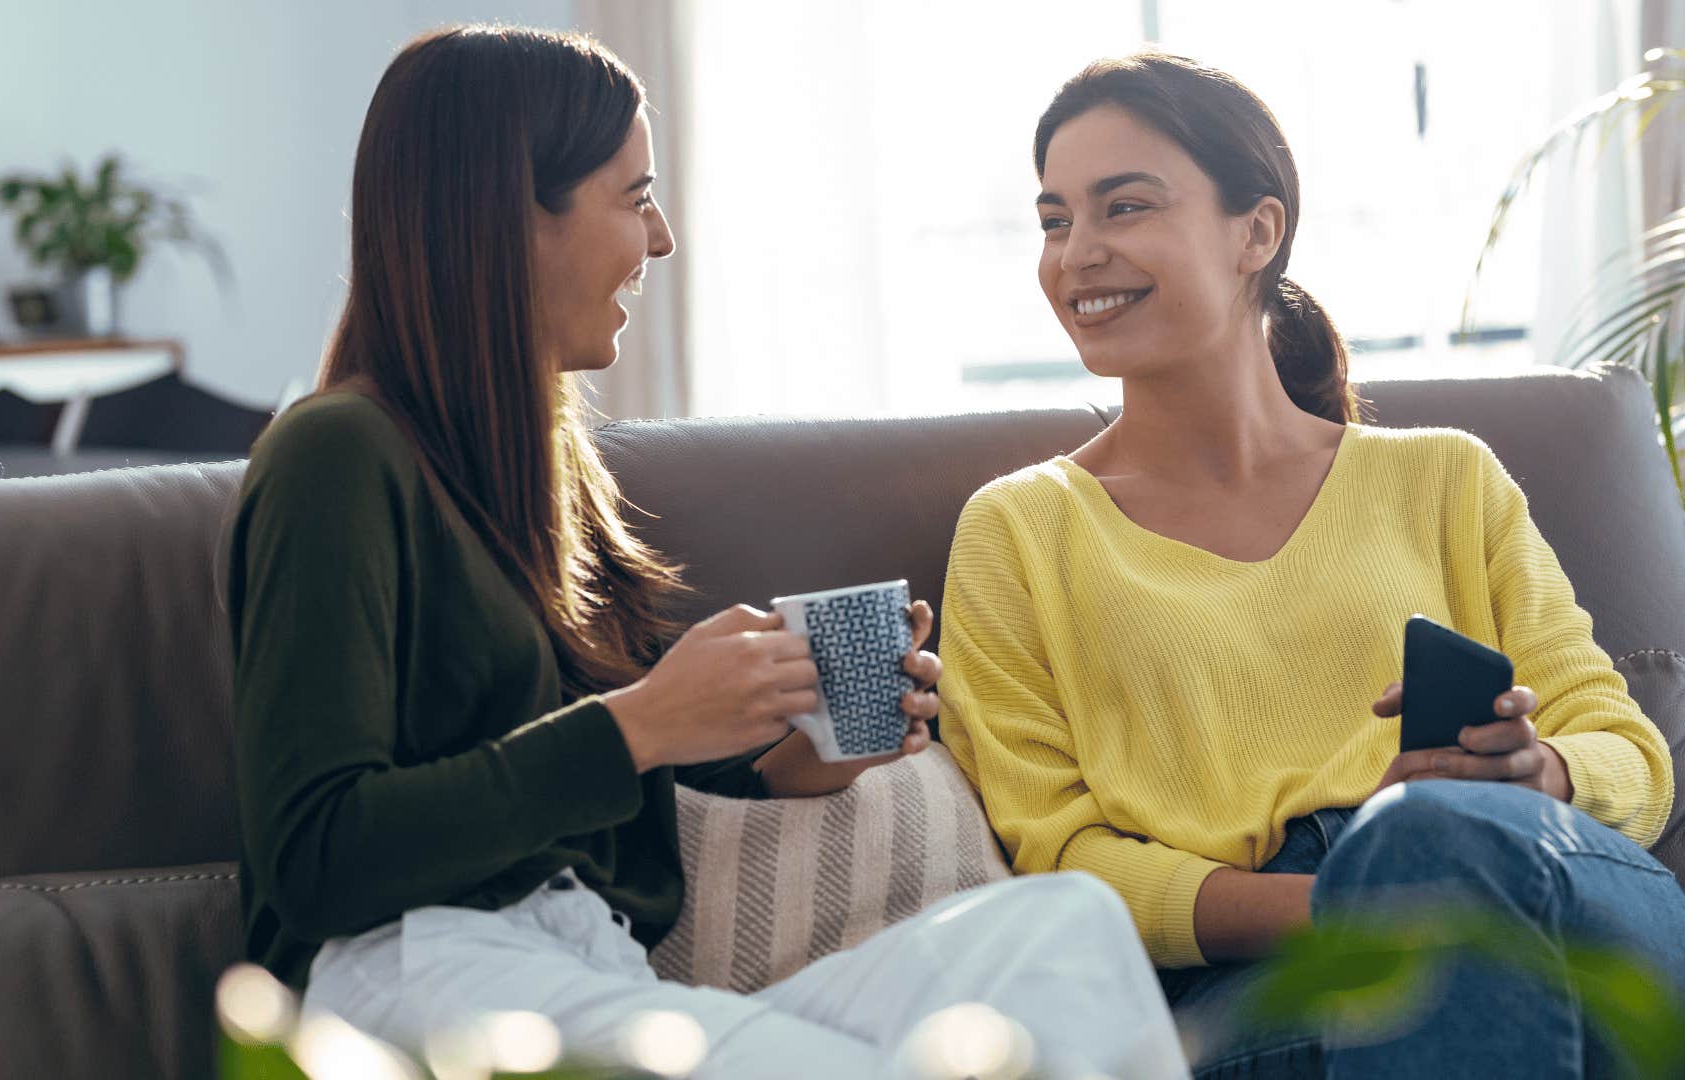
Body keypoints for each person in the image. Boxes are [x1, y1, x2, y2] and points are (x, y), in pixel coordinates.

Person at [224, 26, 1186, 1080]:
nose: (663, 237)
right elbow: (316, 857)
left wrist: (796, 758)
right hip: (408, 981)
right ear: (511, 216)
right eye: (633, 197)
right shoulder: (336, 454)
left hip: (594, 972)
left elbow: (594, 772)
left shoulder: (539, 475)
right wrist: (639, 724)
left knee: (1064, 933)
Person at [937, 51, 1685, 1079]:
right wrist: (1363, 906)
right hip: (1270, 961)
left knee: (1440, 837)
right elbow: (1058, 856)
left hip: (1554, 883)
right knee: (1439, 920)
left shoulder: (1446, 478)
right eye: (1053, 220)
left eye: (1122, 207)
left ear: (1256, 231)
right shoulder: (1020, 531)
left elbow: (1628, 748)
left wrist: (1549, 771)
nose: (1076, 253)